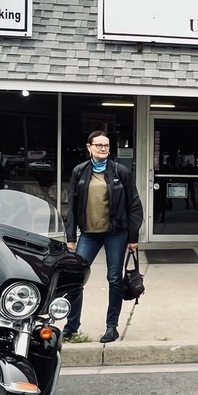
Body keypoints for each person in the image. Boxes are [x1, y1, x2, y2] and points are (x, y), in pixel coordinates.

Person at [64, 131, 143, 343]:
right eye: (98, 145)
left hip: (116, 234)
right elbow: (72, 206)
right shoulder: (79, 172)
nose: (103, 149)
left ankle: (112, 326)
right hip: (88, 235)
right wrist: (71, 237)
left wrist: (133, 238)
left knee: (115, 279)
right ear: (88, 147)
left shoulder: (120, 171)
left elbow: (134, 205)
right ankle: (71, 327)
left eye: (106, 145)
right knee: (75, 278)